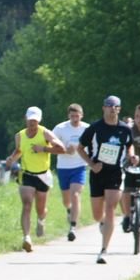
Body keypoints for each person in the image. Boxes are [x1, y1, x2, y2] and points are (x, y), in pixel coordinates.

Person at [77, 95, 136, 264]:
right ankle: (102, 222)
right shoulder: (95, 128)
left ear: (119, 109)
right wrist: (91, 165)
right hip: (98, 171)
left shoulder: (125, 129)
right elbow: (80, 148)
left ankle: (104, 250)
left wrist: (132, 156)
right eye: (109, 106)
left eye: (115, 106)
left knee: (110, 207)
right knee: (97, 215)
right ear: (103, 108)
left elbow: (129, 145)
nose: (112, 109)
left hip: (115, 172)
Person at [4, 106, 65, 252]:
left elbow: (62, 149)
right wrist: (12, 159)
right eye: (30, 120)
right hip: (26, 174)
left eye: (35, 121)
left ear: (39, 120)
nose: (32, 124)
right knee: (26, 204)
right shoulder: (20, 135)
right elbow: (19, 150)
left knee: (41, 209)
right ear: (26, 119)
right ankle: (26, 238)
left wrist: (44, 149)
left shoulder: (45, 133)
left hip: (43, 175)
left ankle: (41, 220)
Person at [52, 103, 90, 241]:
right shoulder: (60, 128)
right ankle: (69, 210)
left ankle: (73, 227)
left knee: (75, 194)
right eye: (72, 116)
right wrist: (64, 150)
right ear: (68, 116)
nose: (75, 119)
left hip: (80, 166)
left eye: (77, 116)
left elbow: (94, 145)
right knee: (66, 200)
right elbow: (50, 146)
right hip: (63, 167)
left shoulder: (87, 128)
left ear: (82, 115)